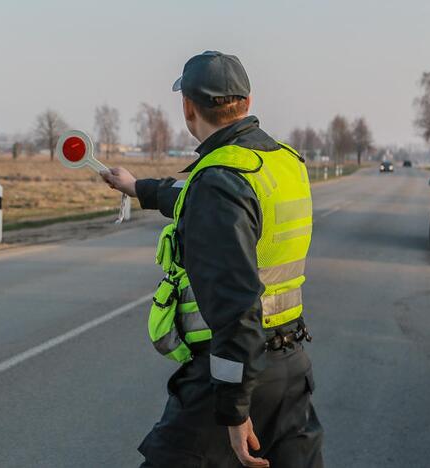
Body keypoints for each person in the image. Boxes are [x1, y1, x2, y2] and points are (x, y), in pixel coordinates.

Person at [101, 51, 324, 467]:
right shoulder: (282, 162)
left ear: (188, 107)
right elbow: (199, 199)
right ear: (247, 102)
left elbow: (236, 305)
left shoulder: (219, 180)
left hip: (239, 376)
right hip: (290, 368)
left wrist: (234, 408)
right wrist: (138, 188)